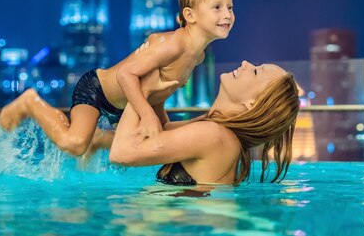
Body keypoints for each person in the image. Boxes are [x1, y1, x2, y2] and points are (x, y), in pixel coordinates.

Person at [0, 0, 234, 156]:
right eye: (217, 7)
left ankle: (100, 139)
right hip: (97, 90)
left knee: (155, 141)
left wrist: (203, 120)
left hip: (128, 105)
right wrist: (147, 116)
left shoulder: (197, 56)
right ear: (190, 15)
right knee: (75, 143)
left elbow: (158, 91)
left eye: (230, 7)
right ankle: (30, 102)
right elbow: (125, 73)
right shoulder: (172, 45)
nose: (227, 14)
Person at [108, 60, 300, 186]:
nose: (245, 64)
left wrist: (141, 87)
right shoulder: (217, 132)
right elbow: (159, 132)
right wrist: (162, 85)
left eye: (256, 71)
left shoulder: (214, 135)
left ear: (253, 103)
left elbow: (122, 152)